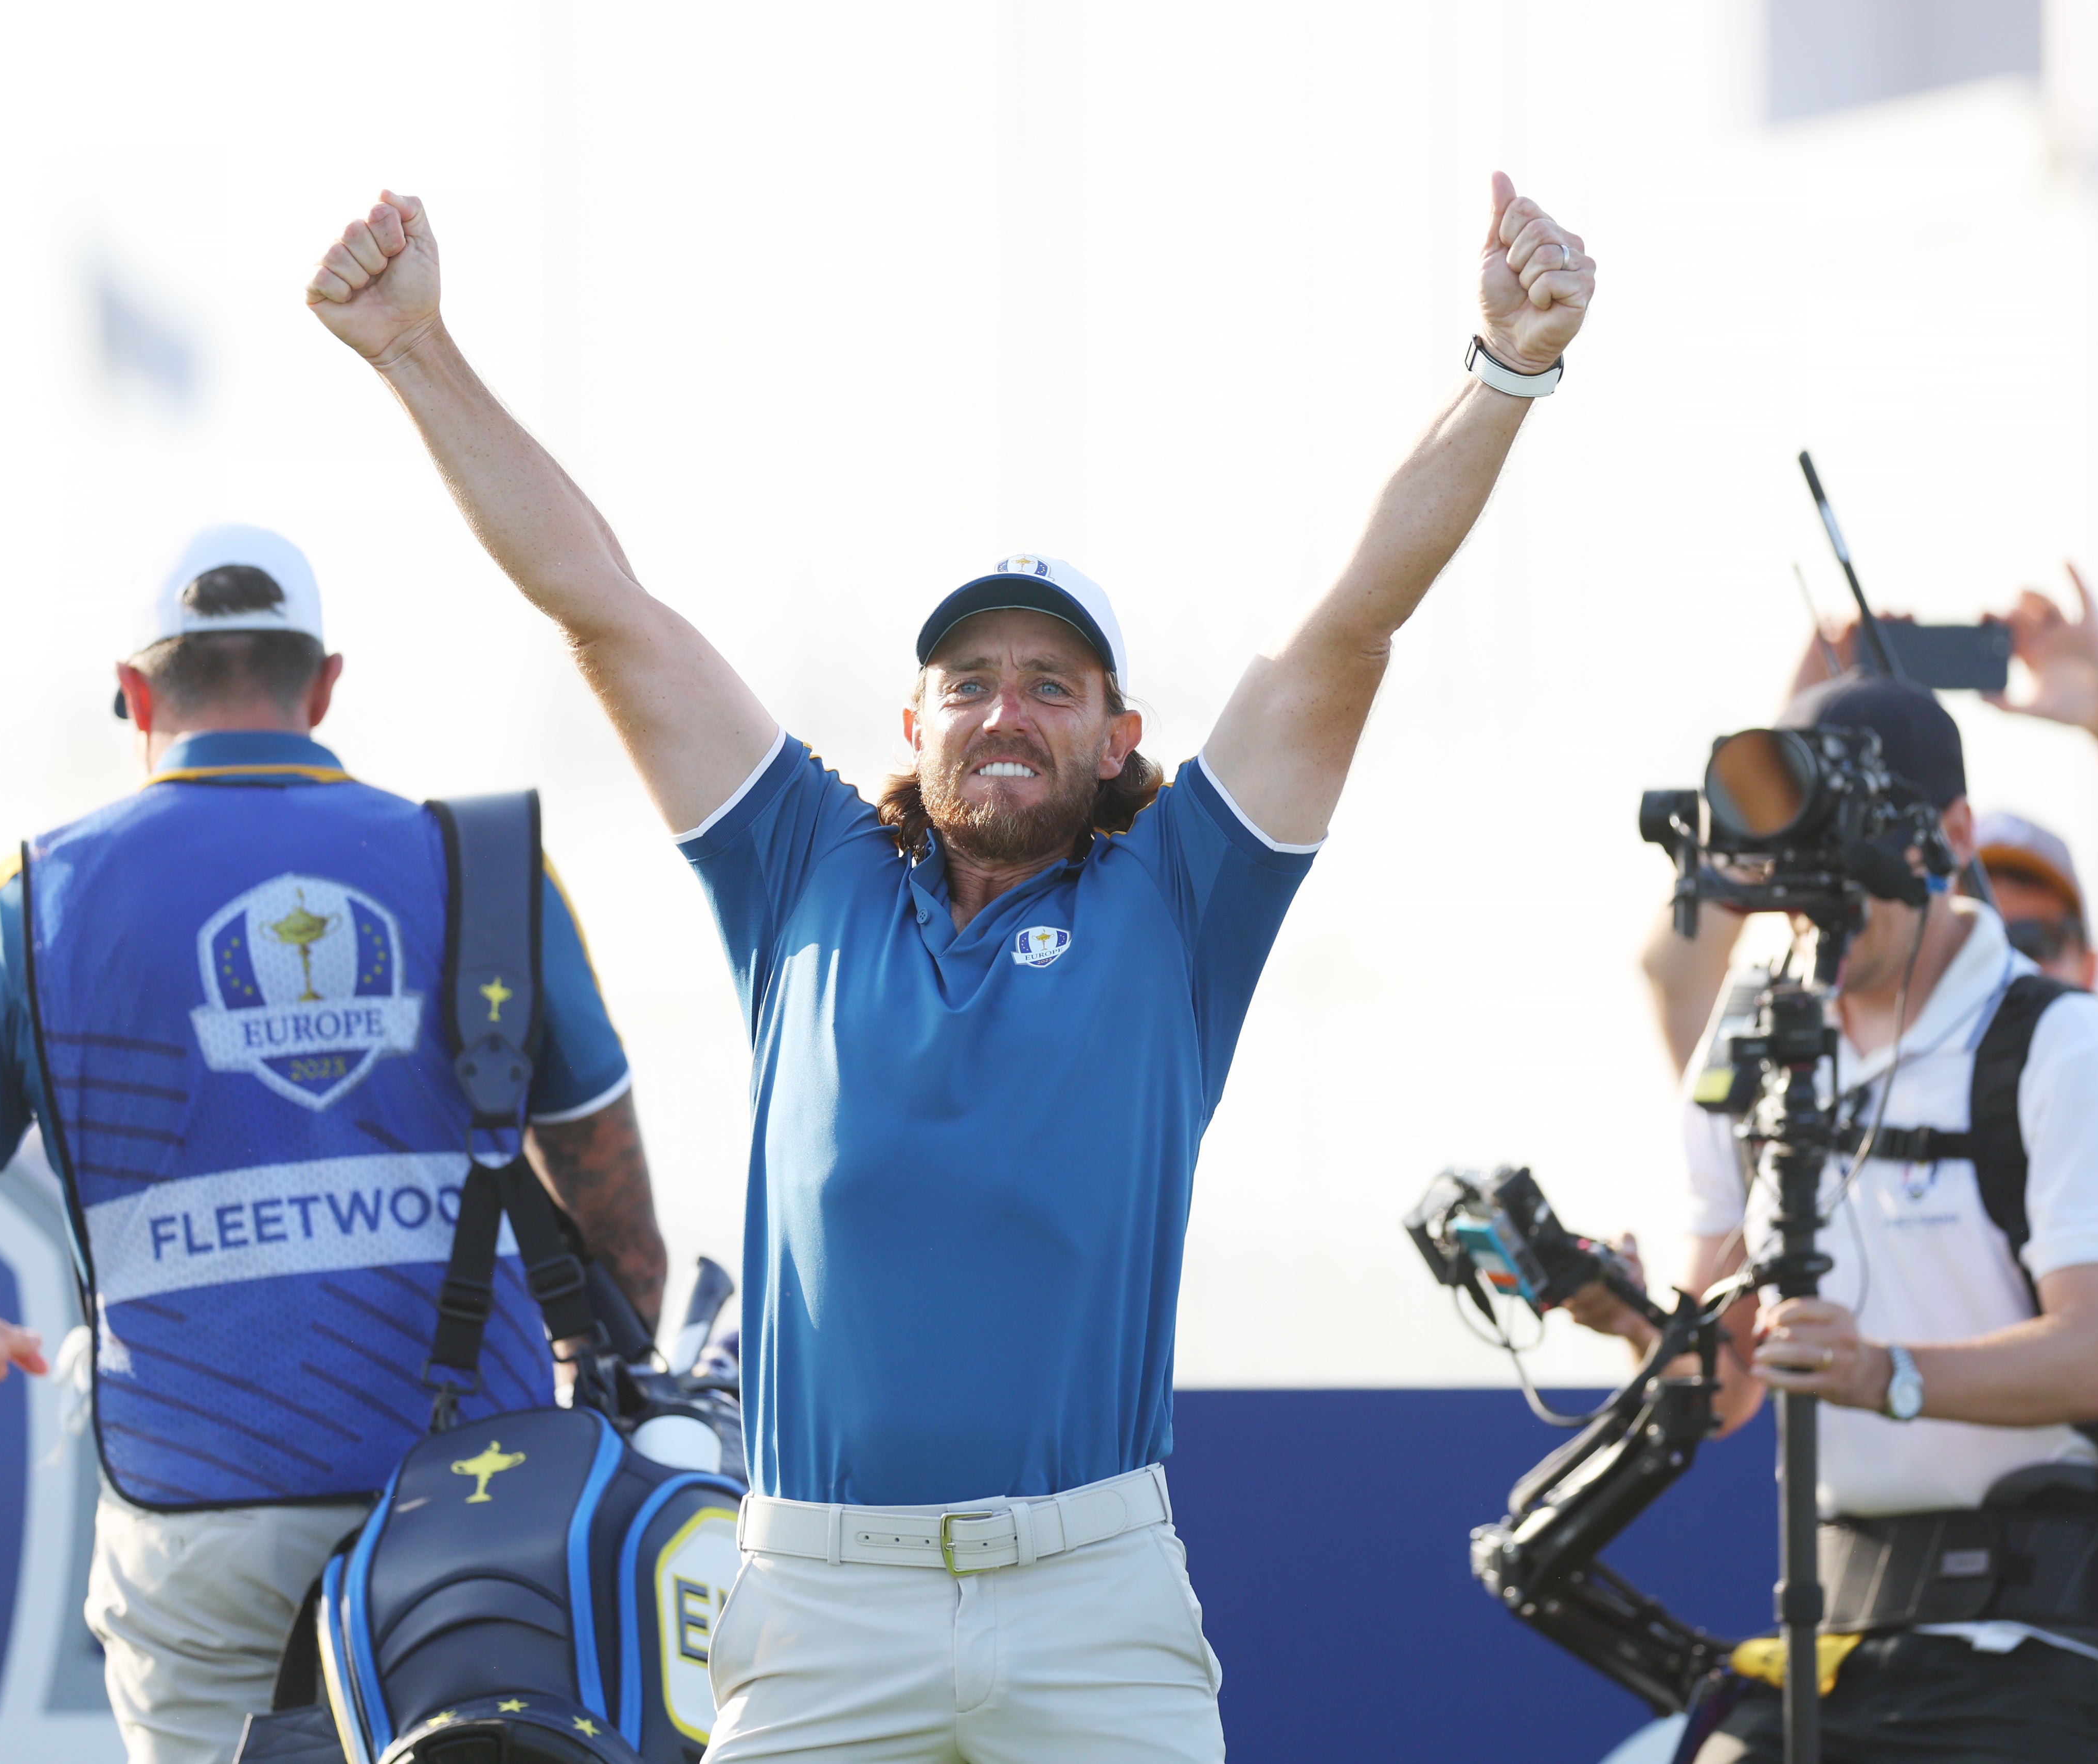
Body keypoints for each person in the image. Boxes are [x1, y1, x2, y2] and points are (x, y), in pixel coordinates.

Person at [305, 174, 1593, 1760]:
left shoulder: (1181, 890)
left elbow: (1352, 624)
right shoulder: (801, 868)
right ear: (910, 725)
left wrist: (1506, 369)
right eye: (968, 679)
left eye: (1053, 681)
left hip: (1093, 1594)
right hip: (817, 1601)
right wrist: (415, 347)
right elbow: (603, 609)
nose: (1006, 708)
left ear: (1120, 735)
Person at [0, 525, 664, 1764]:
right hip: (484, 1515)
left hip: (197, 1529)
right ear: (324, 687)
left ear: (139, 695)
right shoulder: (491, 867)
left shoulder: (31, 902)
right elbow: (622, 1244)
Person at [1580, 674, 2098, 1761]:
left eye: (1851, 853)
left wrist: (1885, 1372)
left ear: (1947, 836)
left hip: (2053, 1631)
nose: (1821, 904)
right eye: (1798, 867)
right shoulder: (1752, 1039)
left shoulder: (2061, 1046)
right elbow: (1720, 1388)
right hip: (1847, 1627)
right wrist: (1630, 1315)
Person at [1638, 570, 2098, 1310]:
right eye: (1969, 922)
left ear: (2092, 962)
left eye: (2033, 932)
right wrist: (1795, 761)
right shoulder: (1818, 1085)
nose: (2000, 954)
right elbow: (1680, 975)